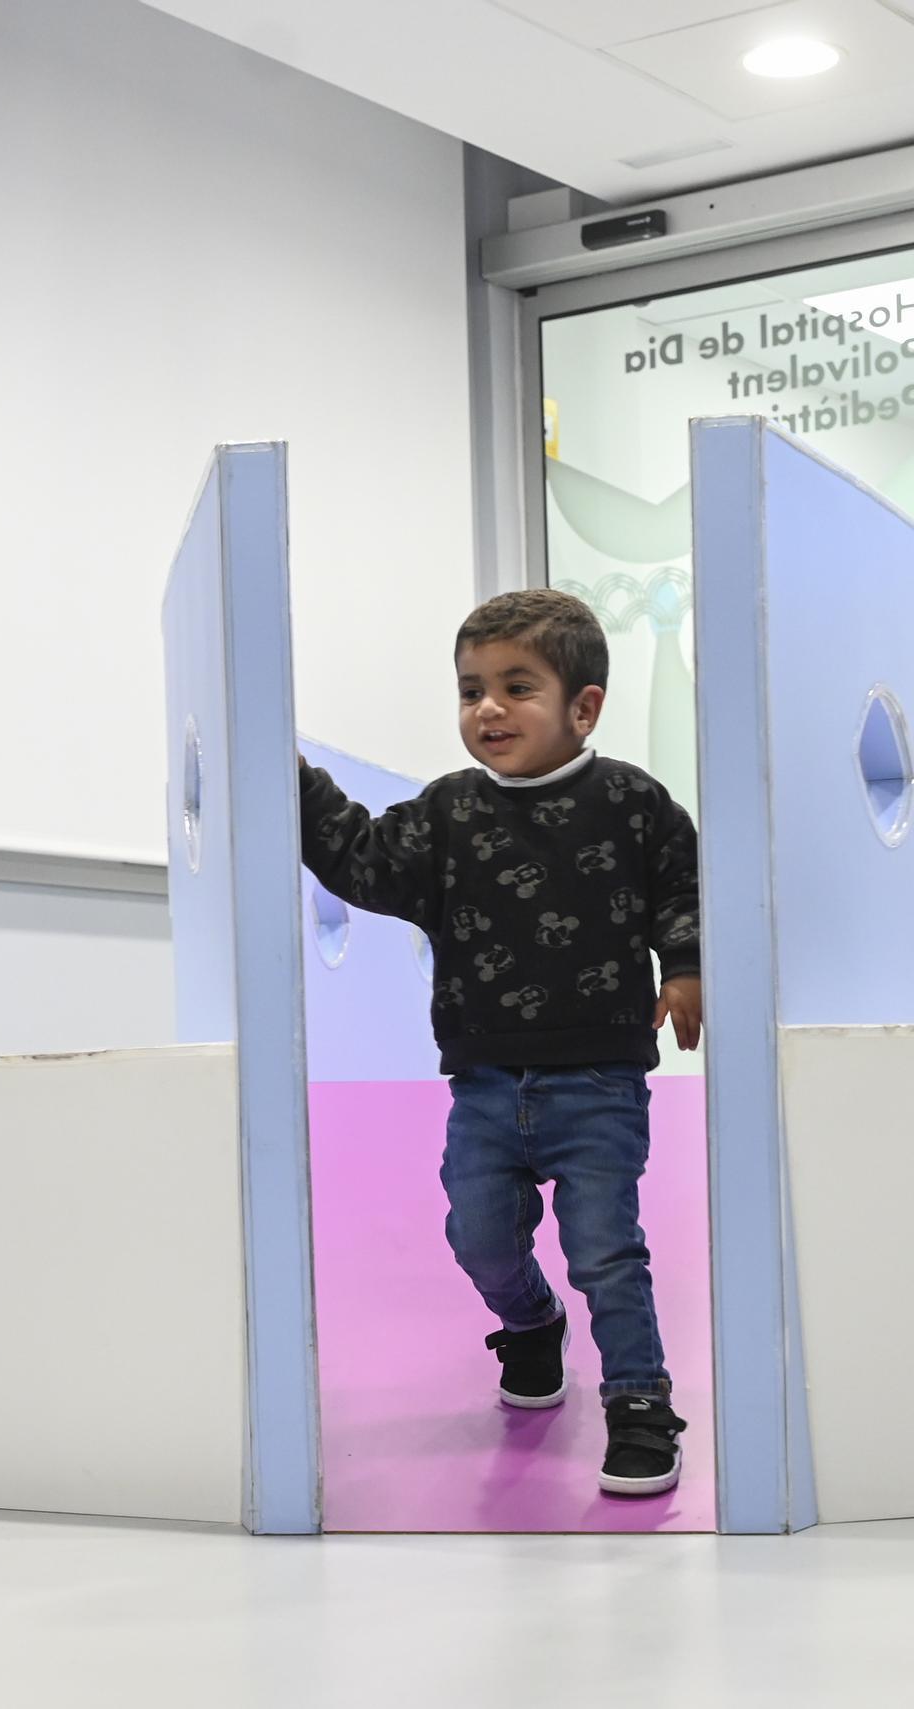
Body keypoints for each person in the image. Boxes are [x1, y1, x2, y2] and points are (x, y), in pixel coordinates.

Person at [298, 588, 701, 1497]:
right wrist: (291, 779)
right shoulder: (446, 814)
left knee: (606, 1247)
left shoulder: (632, 802)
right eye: (471, 689)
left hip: (599, 1079)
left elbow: (683, 881)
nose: (487, 708)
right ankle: (529, 1322)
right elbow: (362, 857)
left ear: (583, 705)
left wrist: (685, 964)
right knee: (479, 1238)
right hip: (485, 1084)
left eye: (517, 687)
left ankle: (639, 1404)